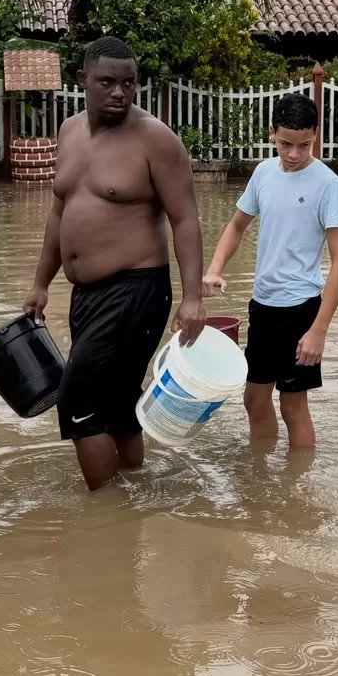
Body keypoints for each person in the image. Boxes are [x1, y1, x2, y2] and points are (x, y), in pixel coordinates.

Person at [23, 36, 206, 491]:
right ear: (82, 80)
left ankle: (103, 517)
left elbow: (185, 220)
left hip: (136, 288)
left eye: (129, 83)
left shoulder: (155, 140)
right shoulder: (68, 131)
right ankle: (135, 496)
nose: (120, 93)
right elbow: (59, 212)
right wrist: (41, 282)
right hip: (86, 293)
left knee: (77, 398)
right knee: (120, 400)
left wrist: (193, 297)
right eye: (107, 82)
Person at [202, 92, 338, 451]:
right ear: (272, 134)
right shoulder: (263, 173)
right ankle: (263, 477)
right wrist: (214, 268)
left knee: (293, 405)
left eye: (304, 144)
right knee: (253, 399)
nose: (294, 153)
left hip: (302, 311)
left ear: (316, 134)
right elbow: (237, 226)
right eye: (286, 144)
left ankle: (297, 487)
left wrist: (319, 330)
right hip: (263, 307)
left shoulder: (327, 184)